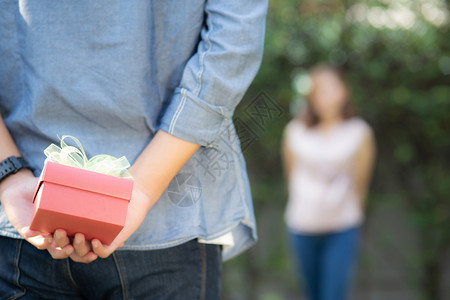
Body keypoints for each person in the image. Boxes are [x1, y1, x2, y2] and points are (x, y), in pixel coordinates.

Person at [0, 1, 267, 299]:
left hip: (27, 211)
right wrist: (140, 190)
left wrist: (9, 171)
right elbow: (234, 43)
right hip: (170, 211)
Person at [281, 65, 376, 300]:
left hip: (342, 227)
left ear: (344, 91)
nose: (325, 96)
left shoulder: (359, 132)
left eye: (331, 88)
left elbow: (361, 183)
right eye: (318, 90)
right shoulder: (295, 131)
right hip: (303, 226)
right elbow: (291, 177)